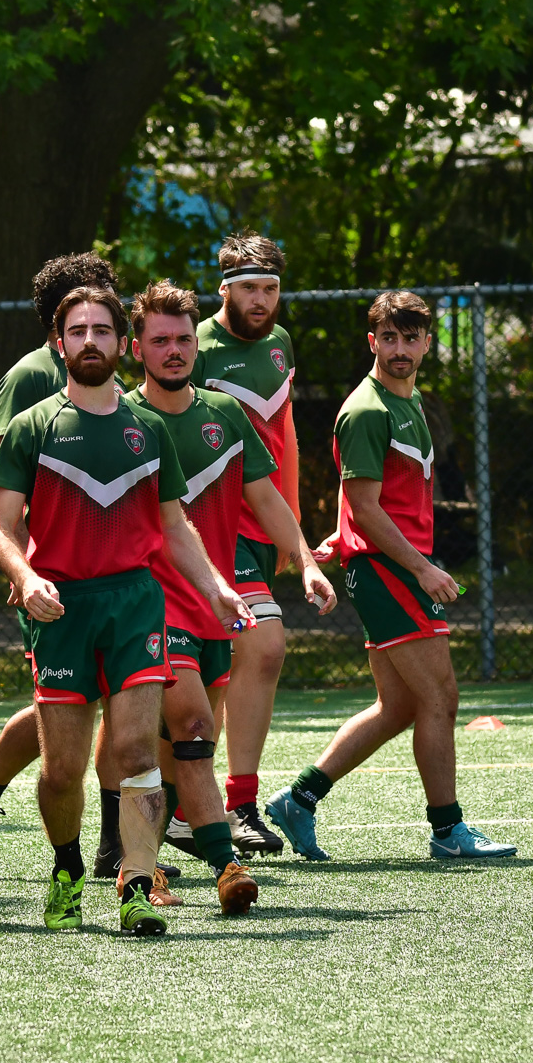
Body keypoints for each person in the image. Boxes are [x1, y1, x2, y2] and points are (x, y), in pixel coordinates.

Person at [0, 284, 252, 935]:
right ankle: (68, 866)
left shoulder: (149, 429)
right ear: (60, 343)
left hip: (136, 603)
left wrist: (216, 584)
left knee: (136, 752)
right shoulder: (34, 428)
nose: (90, 342)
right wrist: (24, 576)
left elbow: (174, 525)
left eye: (101, 330)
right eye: (78, 332)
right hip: (62, 610)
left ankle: (135, 885)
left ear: (120, 344)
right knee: (62, 772)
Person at [265, 292, 516, 862]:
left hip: (383, 562)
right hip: (389, 570)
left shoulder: (409, 399)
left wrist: (340, 533)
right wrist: (422, 567)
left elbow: (354, 492)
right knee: (441, 698)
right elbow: (364, 501)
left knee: (400, 706)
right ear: (371, 341)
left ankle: (298, 800)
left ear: (427, 342)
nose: (401, 350)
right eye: (390, 339)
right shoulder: (368, 409)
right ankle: (448, 830)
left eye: (412, 338)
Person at [126, 280, 334, 914]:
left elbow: (265, 499)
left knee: (179, 740)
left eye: (183, 339)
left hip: (214, 600)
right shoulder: (122, 420)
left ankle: (138, 858)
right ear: (137, 348)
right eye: (159, 340)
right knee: (191, 725)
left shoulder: (224, 415)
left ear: (198, 344)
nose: (174, 350)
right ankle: (225, 863)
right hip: (149, 601)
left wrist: (305, 563)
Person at [0, 252, 145, 878]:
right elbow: (5, 480)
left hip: (117, 577)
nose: (97, 328)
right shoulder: (28, 381)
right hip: (52, 575)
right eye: (85, 311)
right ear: (57, 326)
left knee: (117, 712)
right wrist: (25, 568)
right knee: (63, 711)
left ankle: (120, 850)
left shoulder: (121, 372)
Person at [190, 231, 302, 854]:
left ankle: (205, 803)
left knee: (223, 671)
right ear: (224, 290)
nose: (261, 302)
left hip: (262, 529)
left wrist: (295, 527)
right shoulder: (194, 346)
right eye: (249, 289)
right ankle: (234, 804)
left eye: (271, 289)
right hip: (212, 531)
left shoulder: (281, 344)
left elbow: (285, 432)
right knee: (264, 646)